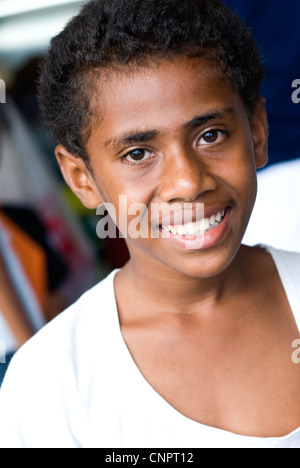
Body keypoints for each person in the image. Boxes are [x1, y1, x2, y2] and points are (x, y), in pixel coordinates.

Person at [0, 0, 299, 449]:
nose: (188, 182)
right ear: (83, 179)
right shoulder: (49, 383)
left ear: (256, 132)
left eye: (211, 135)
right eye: (138, 154)